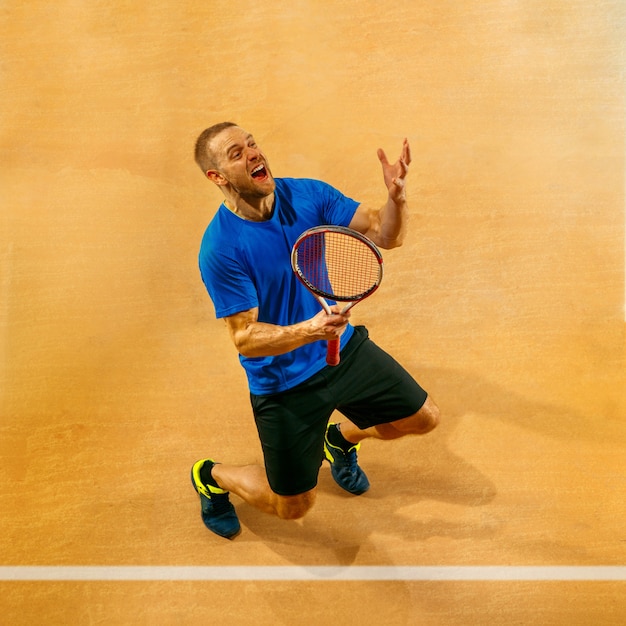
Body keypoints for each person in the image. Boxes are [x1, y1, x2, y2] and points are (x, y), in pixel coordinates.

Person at [191, 122, 440, 539]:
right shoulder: (221, 248)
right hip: (282, 383)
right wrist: (310, 329)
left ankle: (339, 440)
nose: (253, 153)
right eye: (236, 153)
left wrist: (396, 198)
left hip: (342, 351)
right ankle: (212, 476)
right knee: (292, 508)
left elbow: (384, 233)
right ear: (216, 177)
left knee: (423, 417)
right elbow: (245, 338)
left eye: (252, 143)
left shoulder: (306, 195)